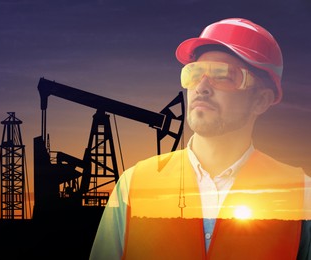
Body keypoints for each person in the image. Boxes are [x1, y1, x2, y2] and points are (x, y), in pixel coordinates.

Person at [89, 18, 311, 259]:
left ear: (261, 100)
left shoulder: (302, 195)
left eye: (223, 75)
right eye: (194, 73)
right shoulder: (132, 187)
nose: (202, 87)